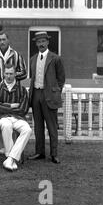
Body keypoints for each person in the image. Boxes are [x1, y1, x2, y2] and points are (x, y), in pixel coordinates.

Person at [28, 31, 65, 164]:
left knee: (52, 126)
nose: (41, 44)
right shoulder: (33, 59)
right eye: (38, 42)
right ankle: (40, 152)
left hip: (49, 94)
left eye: (43, 41)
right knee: (38, 126)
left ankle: (54, 154)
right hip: (36, 94)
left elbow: (61, 79)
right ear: (36, 44)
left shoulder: (55, 58)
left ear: (47, 42)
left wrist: (55, 92)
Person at [0, 64, 32, 171]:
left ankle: (10, 158)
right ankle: (10, 158)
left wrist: (3, 105)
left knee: (27, 130)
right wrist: (11, 106)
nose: (9, 76)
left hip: (18, 117)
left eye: (11, 74)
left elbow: (23, 109)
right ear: (3, 74)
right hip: (3, 117)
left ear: (15, 74)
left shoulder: (22, 89)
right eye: (7, 73)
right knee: (6, 125)